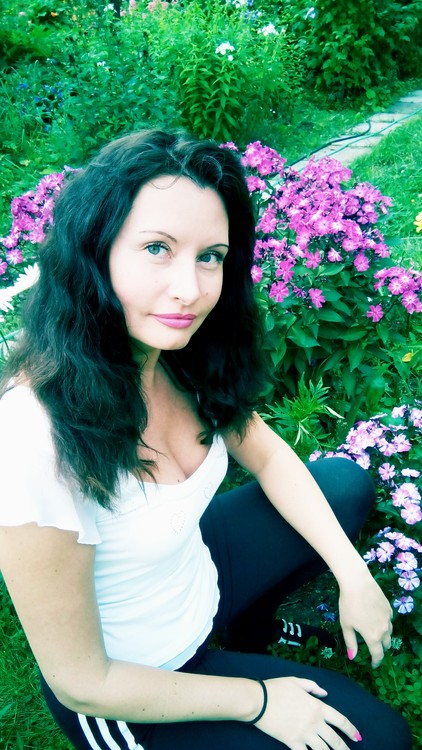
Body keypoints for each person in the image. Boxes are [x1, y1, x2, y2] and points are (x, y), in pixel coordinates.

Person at [0, 130, 412, 750]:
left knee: (344, 484)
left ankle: (250, 633)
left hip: (194, 577)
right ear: (94, 250)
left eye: (210, 256)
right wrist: (259, 701)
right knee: (380, 739)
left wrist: (352, 574)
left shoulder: (179, 352)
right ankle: (242, 670)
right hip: (131, 686)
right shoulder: (32, 438)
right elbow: (82, 682)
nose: (190, 290)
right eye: (157, 249)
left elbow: (266, 454)